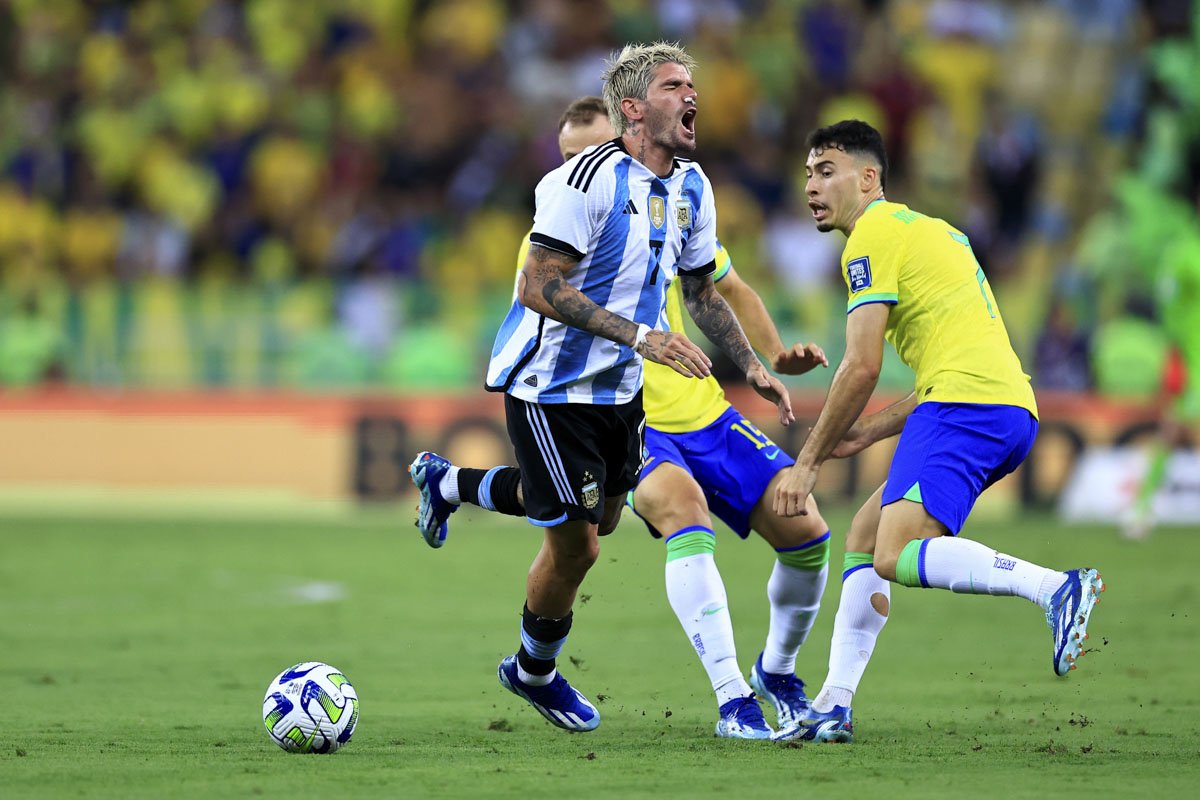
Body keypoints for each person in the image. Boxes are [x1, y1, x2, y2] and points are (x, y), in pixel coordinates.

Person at [412, 96, 833, 739]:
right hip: (594, 401)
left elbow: (718, 284)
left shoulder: (672, 195)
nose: (587, 166)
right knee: (610, 528)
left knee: (802, 533)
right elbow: (545, 299)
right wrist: (640, 337)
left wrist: (766, 356)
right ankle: (731, 701)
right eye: (572, 157)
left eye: (597, 149)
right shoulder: (563, 216)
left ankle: (451, 484)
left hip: (689, 407)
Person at [770, 120, 1105, 743]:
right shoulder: (933, 231)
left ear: (869, 178)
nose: (811, 186)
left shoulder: (867, 238)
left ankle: (1056, 589)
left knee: (894, 554)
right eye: (808, 174)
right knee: (867, 538)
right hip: (1007, 406)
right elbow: (942, 364)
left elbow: (862, 364)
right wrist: (866, 434)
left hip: (963, 406)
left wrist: (808, 460)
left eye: (826, 171)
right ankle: (833, 704)